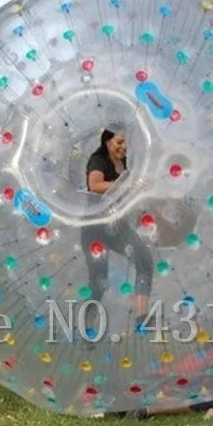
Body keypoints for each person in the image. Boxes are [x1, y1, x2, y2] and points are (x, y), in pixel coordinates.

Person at [82, 128, 154, 331]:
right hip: (94, 226)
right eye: (119, 142)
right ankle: (86, 326)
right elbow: (94, 185)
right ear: (107, 142)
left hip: (118, 225)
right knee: (99, 280)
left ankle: (142, 317)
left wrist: (143, 190)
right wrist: (128, 186)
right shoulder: (98, 160)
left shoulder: (126, 165)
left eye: (126, 143)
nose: (124, 147)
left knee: (145, 261)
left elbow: (127, 194)